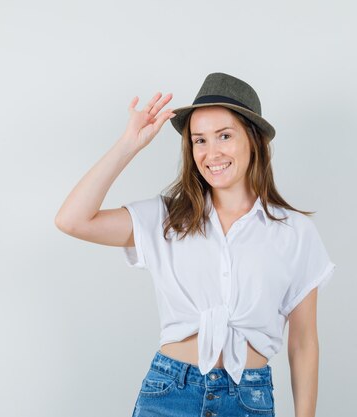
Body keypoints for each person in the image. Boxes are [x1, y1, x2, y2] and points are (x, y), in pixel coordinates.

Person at [55, 72, 336, 417]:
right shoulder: (166, 218)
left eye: (224, 136)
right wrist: (129, 144)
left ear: (254, 140)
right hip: (169, 394)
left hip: (249, 400)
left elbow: (304, 342)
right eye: (199, 140)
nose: (211, 152)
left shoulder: (295, 231)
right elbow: (72, 220)